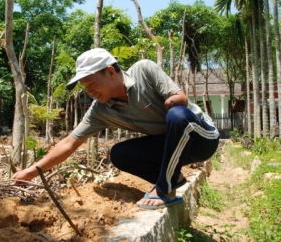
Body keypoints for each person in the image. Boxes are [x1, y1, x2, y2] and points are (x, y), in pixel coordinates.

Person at [12, 48, 219, 210]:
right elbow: (69, 142)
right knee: (119, 154)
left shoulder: (144, 71)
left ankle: (164, 190)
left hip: (200, 137)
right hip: (169, 146)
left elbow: (181, 99)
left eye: (92, 84)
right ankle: (174, 179)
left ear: (110, 71)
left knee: (177, 114)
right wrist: (31, 172)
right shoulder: (100, 110)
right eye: (86, 88)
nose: (90, 92)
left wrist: (173, 101)